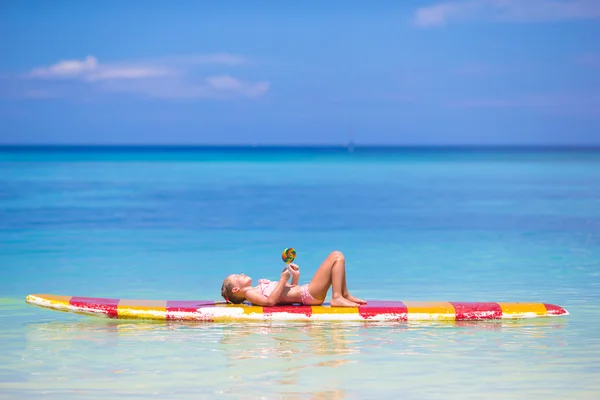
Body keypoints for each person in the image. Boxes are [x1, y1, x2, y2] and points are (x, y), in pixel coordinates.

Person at [220, 251, 366, 307]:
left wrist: (294, 278)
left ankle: (343, 294)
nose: (242, 273)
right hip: (308, 294)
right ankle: (337, 296)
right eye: (237, 276)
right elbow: (270, 302)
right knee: (336, 256)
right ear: (235, 289)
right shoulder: (249, 294)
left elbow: (287, 295)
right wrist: (282, 280)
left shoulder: (256, 289)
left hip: (306, 294)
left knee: (338, 258)